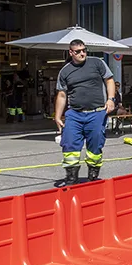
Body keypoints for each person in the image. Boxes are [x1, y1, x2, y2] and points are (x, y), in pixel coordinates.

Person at [53, 39, 116, 186]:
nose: (82, 53)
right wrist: (57, 116)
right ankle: (71, 177)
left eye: (84, 50)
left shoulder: (97, 63)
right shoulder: (65, 71)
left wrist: (111, 99)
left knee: (95, 145)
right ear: (71, 52)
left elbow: (109, 80)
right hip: (74, 114)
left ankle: (93, 175)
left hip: (97, 112)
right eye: (78, 51)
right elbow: (62, 95)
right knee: (69, 144)